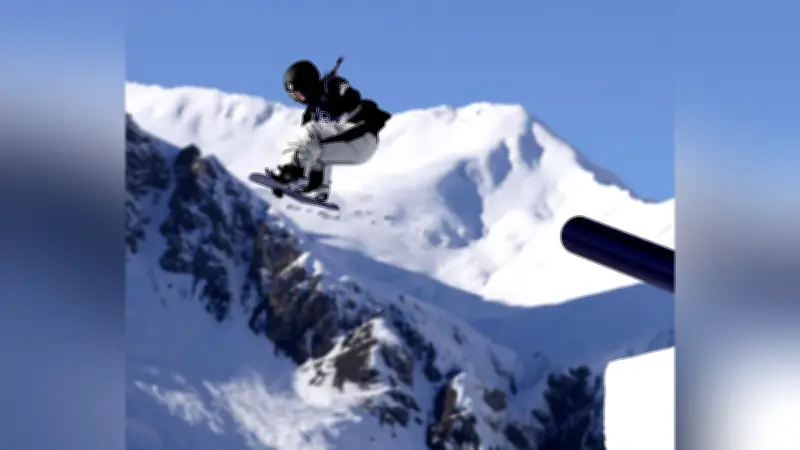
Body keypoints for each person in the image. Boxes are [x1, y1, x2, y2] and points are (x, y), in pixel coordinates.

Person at [267, 57, 392, 202]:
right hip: (353, 148)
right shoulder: (310, 113)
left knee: (310, 130)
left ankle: (292, 172)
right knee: (312, 147)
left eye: (300, 93)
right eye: (294, 96)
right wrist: (285, 185)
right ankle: (318, 185)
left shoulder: (329, 86)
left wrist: (341, 90)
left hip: (360, 133)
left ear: (309, 85)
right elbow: (305, 147)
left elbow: (351, 94)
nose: (299, 99)